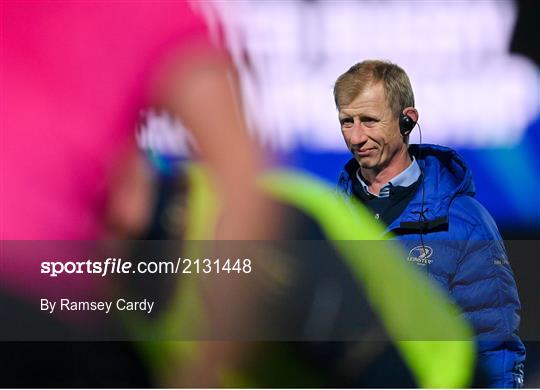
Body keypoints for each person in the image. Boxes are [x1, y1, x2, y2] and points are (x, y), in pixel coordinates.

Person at [334, 60, 525, 388]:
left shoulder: (465, 222)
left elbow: (495, 348)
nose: (356, 137)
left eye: (369, 120)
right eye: (346, 122)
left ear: (407, 121)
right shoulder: (330, 217)